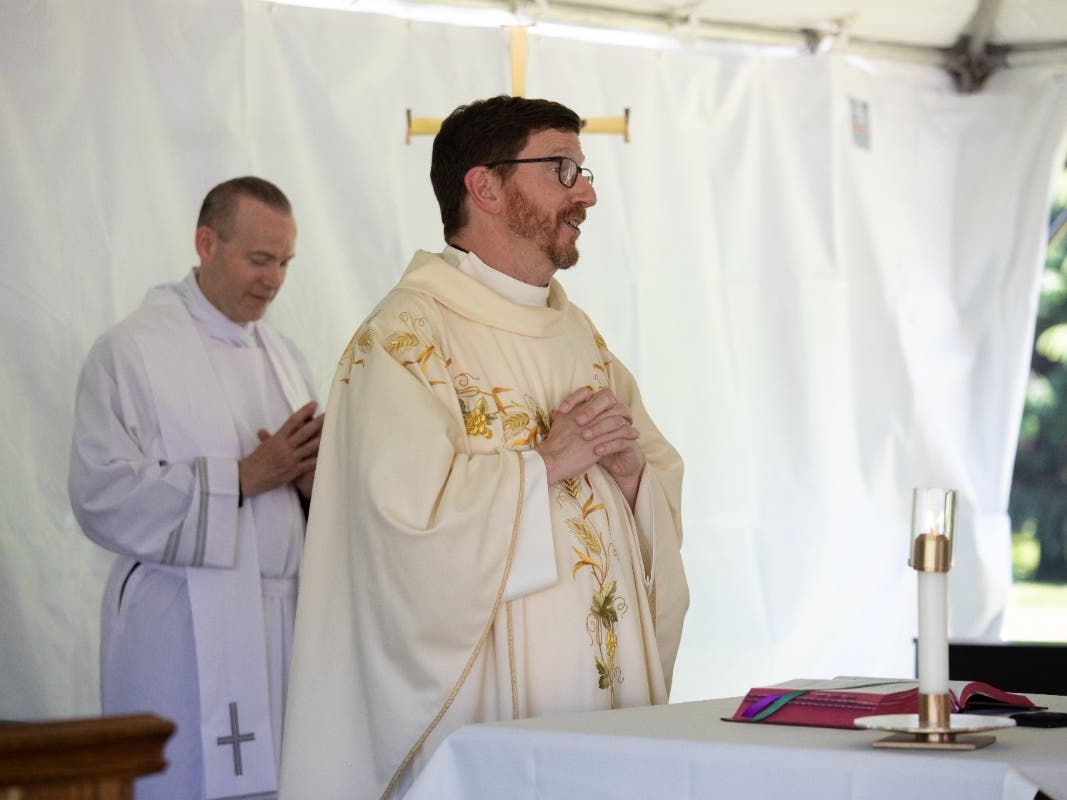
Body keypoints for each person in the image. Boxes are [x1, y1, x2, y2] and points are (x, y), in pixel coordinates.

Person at [280, 96, 689, 800]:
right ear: (486, 186)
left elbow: (653, 477)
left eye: (585, 172)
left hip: (598, 689)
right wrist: (545, 467)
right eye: (563, 170)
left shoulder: (576, 334)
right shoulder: (406, 337)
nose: (585, 192)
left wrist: (630, 482)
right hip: (488, 703)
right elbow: (399, 529)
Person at [68, 176, 323, 800]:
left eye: (285, 263)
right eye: (259, 259)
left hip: (279, 628)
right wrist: (240, 478)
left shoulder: (285, 357)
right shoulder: (132, 350)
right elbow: (101, 492)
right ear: (206, 242)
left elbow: (303, 490)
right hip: (179, 628)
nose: (274, 280)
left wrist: (313, 487)